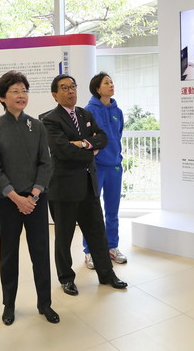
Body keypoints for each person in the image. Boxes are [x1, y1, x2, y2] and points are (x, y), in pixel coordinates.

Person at [0, 71, 59, 326]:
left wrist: (35, 194)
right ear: (2, 97)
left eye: (24, 90)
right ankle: (9, 304)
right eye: (15, 91)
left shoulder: (37, 125)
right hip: (7, 202)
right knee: (8, 254)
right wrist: (17, 198)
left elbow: (45, 163)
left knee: (40, 252)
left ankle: (45, 303)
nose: (21, 95)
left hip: (36, 200)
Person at [42, 74, 128, 296]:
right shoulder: (49, 119)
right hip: (64, 189)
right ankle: (66, 278)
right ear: (55, 94)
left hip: (88, 185)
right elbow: (62, 151)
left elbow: (103, 138)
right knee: (64, 237)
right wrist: (89, 151)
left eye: (73, 87)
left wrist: (83, 144)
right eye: (64, 88)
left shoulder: (85, 113)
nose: (70, 91)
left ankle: (107, 275)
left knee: (97, 233)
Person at [83, 72, 127, 269]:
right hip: (96, 167)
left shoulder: (118, 110)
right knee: (91, 211)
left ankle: (112, 246)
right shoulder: (88, 111)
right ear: (97, 88)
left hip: (115, 167)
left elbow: (118, 135)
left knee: (112, 210)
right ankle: (89, 251)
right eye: (106, 83)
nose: (111, 85)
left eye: (112, 82)